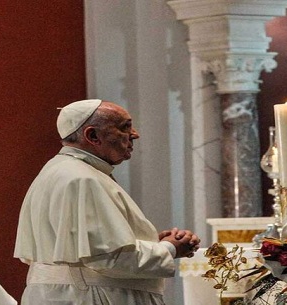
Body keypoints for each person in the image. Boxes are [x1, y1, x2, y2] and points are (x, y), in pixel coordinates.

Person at [14, 99, 200, 305]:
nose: (135, 134)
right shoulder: (82, 178)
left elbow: (88, 248)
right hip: (91, 297)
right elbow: (109, 258)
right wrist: (169, 248)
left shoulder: (59, 170)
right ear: (92, 136)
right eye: (125, 127)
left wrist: (148, 243)